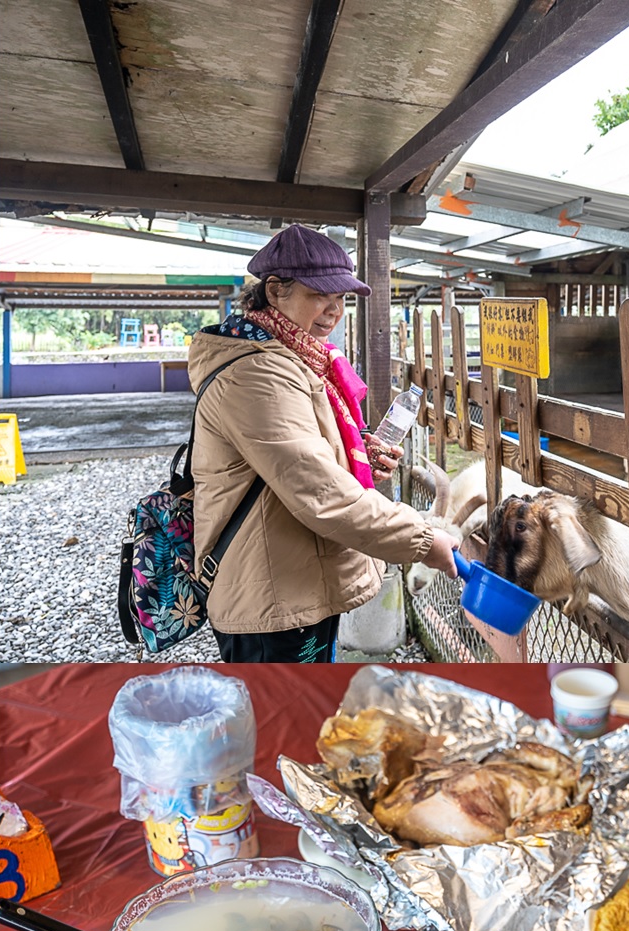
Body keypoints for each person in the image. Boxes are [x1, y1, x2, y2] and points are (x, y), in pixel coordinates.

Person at [187, 224, 461, 663]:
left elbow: (300, 450)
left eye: (342, 297)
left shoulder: (293, 356)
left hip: (295, 574)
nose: (334, 310)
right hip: (273, 592)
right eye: (320, 294)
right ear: (275, 291)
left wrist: (358, 453)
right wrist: (423, 540)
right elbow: (319, 490)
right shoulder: (258, 375)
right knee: (287, 714)